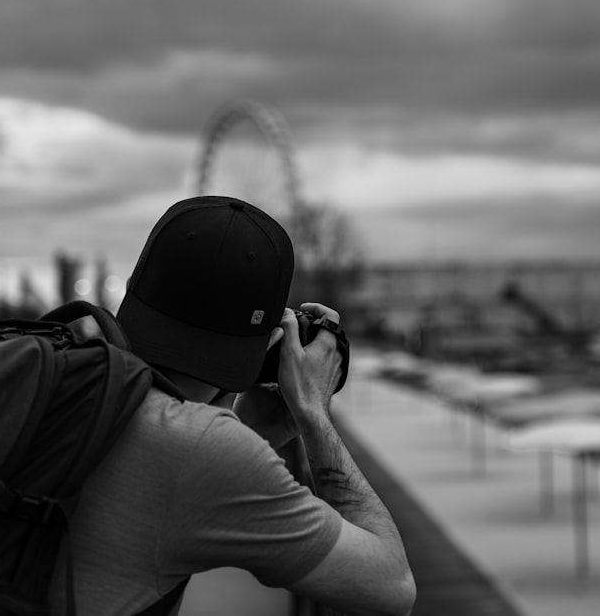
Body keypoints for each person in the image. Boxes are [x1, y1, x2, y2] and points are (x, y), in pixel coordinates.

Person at [47, 196, 415, 616]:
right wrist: (313, 414)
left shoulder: (58, 375)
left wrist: (250, 432)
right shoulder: (201, 451)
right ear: (269, 343)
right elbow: (393, 587)